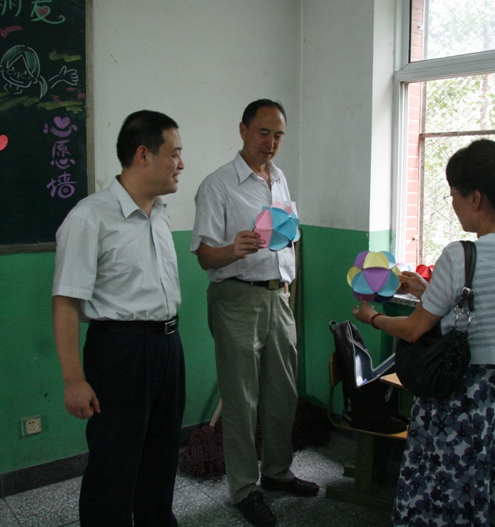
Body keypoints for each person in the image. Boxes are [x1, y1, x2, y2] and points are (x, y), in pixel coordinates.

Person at [353, 139, 495, 526]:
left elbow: (413, 330)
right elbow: (490, 313)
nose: (453, 203)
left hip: (460, 403)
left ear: (475, 198)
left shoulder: (461, 255)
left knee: (446, 494)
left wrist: (373, 318)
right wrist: (428, 291)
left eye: (453, 195)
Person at [52, 110, 186, 526]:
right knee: (115, 463)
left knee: (161, 458)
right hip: (120, 351)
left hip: (168, 345)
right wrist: (74, 380)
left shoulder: (160, 212)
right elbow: (65, 302)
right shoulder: (89, 217)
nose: (181, 163)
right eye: (174, 153)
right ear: (143, 155)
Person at [191, 99, 318, 527]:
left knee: (283, 393)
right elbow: (204, 256)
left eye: (278, 135)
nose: (271, 143)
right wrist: (233, 249)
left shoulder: (278, 179)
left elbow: (287, 237)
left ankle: (278, 473)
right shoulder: (218, 185)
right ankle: (244, 490)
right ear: (243, 129)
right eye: (263, 133)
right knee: (241, 400)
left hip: (278, 298)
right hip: (236, 299)